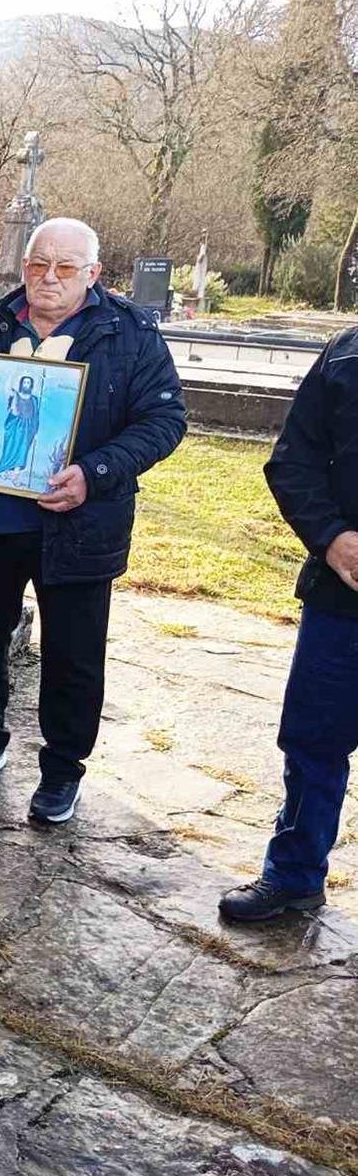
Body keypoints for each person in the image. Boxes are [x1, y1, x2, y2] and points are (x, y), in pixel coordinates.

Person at [0, 217, 185, 823]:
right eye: (38, 264)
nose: (49, 277)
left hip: (80, 526)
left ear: (92, 274)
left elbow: (165, 421)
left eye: (65, 267)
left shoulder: (129, 334)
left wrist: (94, 473)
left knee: (73, 655)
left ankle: (63, 769)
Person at [220, 328, 358, 921]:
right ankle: (295, 874)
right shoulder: (345, 354)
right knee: (312, 741)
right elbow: (293, 461)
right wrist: (332, 537)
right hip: (342, 596)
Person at [0, 375, 40, 479]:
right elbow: (12, 411)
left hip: (28, 429)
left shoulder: (34, 399)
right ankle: (4, 470)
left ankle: (16, 474)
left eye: (28, 383)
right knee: (10, 448)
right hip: (15, 427)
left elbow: (35, 416)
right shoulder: (15, 396)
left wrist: (35, 431)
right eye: (24, 382)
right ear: (21, 384)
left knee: (23, 450)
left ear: (31, 385)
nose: (26, 385)